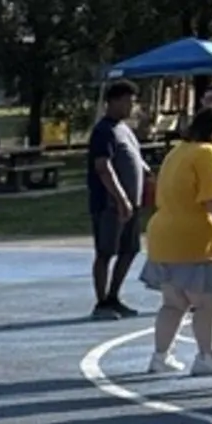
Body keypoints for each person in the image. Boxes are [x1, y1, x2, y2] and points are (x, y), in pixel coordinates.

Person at [140, 104, 212, 377]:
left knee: (173, 303)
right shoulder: (208, 156)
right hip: (198, 241)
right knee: (207, 303)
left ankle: (160, 355)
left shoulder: (177, 152)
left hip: (164, 238)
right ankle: (207, 355)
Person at [87, 79, 145, 317]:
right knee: (105, 252)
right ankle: (101, 303)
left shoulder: (124, 129)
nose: (131, 107)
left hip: (132, 204)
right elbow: (103, 166)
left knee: (129, 250)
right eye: (127, 102)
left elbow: (133, 159)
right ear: (113, 101)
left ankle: (113, 297)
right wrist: (121, 199)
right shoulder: (104, 131)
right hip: (110, 204)